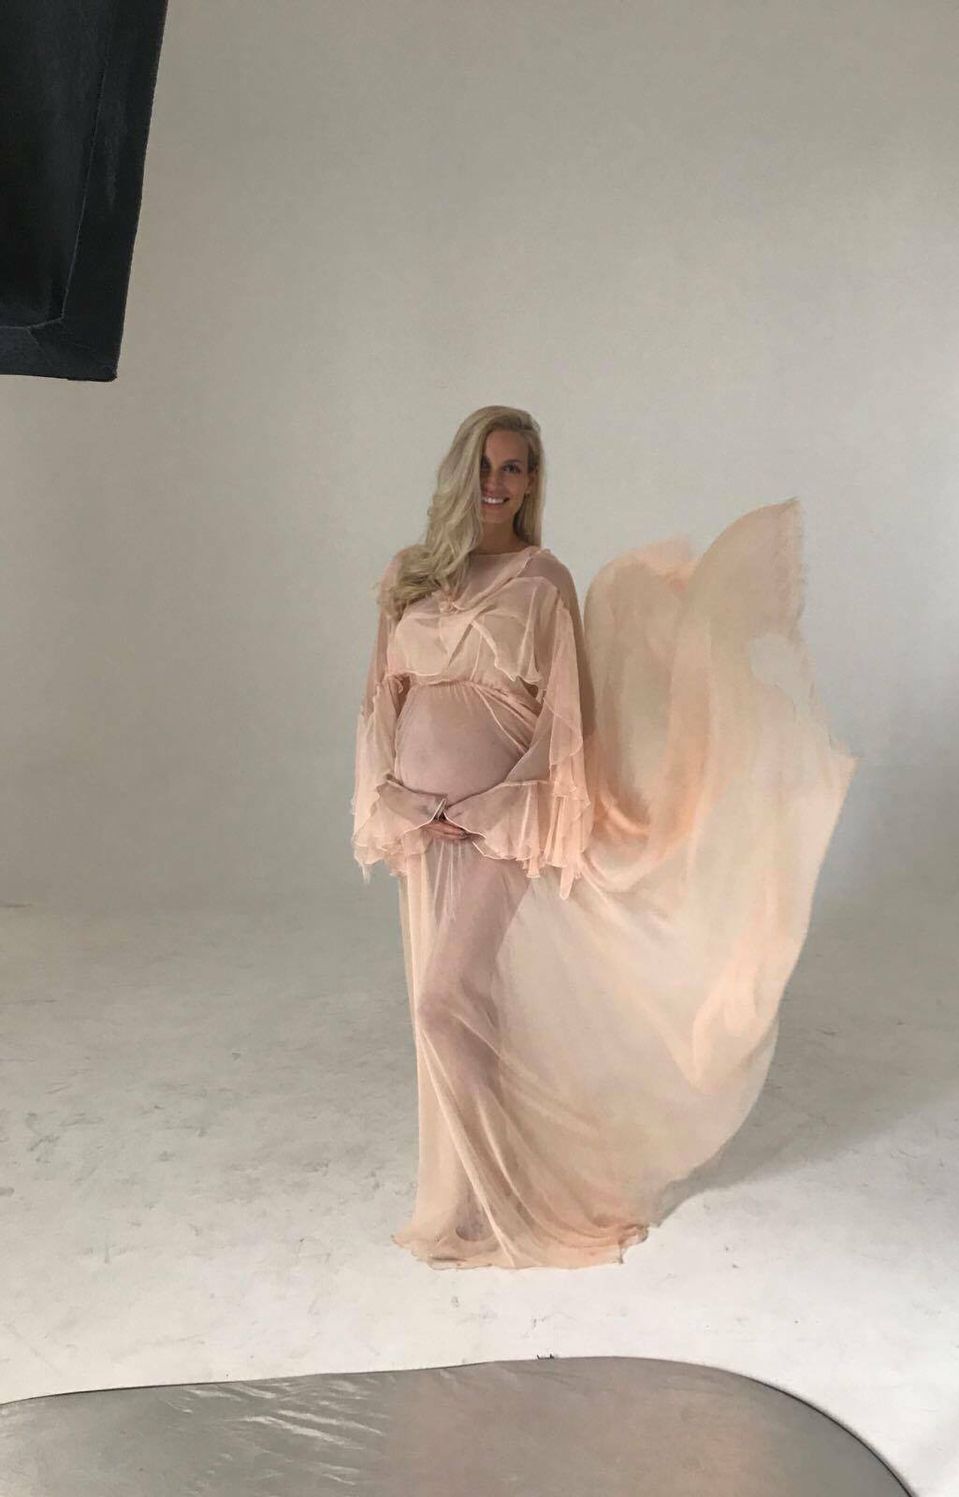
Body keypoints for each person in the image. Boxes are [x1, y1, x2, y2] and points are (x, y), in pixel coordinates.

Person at [351, 405, 858, 1270]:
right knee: (462, 1007)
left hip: (498, 826)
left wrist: (497, 805)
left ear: (531, 483)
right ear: (459, 472)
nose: (497, 483)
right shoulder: (408, 575)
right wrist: (397, 797)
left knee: (445, 1004)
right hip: (423, 823)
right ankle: (465, 1191)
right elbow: (379, 700)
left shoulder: (542, 579)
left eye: (514, 468)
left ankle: (510, 1200)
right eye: (485, 465)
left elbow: (564, 720)